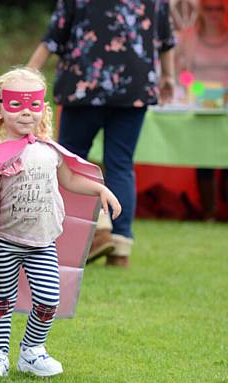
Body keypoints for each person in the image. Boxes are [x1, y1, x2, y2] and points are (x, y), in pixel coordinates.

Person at [0, 67, 120, 378]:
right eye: (16, 104)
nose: (26, 112)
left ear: (43, 108)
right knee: (1, 300)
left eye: (34, 104)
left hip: (43, 243)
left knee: (49, 299)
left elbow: (69, 179)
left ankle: (32, 351)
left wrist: (100, 188)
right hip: (5, 241)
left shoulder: (50, 151)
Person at [27, 0, 176, 267]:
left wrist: (26, 75)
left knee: (70, 162)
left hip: (84, 85)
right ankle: (120, 246)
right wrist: (169, 77)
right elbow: (165, 39)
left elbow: (53, 38)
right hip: (135, 87)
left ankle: (90, 234)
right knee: (121, 163)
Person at [176, 0, 228, 220]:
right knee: (204, 157)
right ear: (201, 10)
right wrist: (199, 90)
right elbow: (181, 73)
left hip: (226, 107)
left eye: (219, 9)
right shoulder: (188, 37)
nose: (214, 14)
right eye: (209, 8)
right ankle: (209, 210)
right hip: (199, 106)